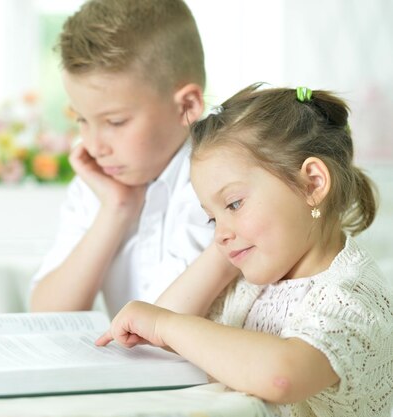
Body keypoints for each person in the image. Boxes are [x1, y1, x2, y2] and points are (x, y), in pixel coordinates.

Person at [96, 84, 393, 416]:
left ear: (312, 183)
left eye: (234, 203)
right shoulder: (253, 282)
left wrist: (164, 325)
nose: (220, 233)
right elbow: (162, 339)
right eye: (211, 218)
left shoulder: (352, 299)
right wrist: (225, 251)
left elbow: (282, 376)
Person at [30, 0, 237, 316]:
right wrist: (116, 210)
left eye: (115, 122)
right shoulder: (99, 187)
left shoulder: (226, 185)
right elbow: (46, 316)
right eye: (81, 120)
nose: (95, 145)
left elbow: (162, 329)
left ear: (187, 106)